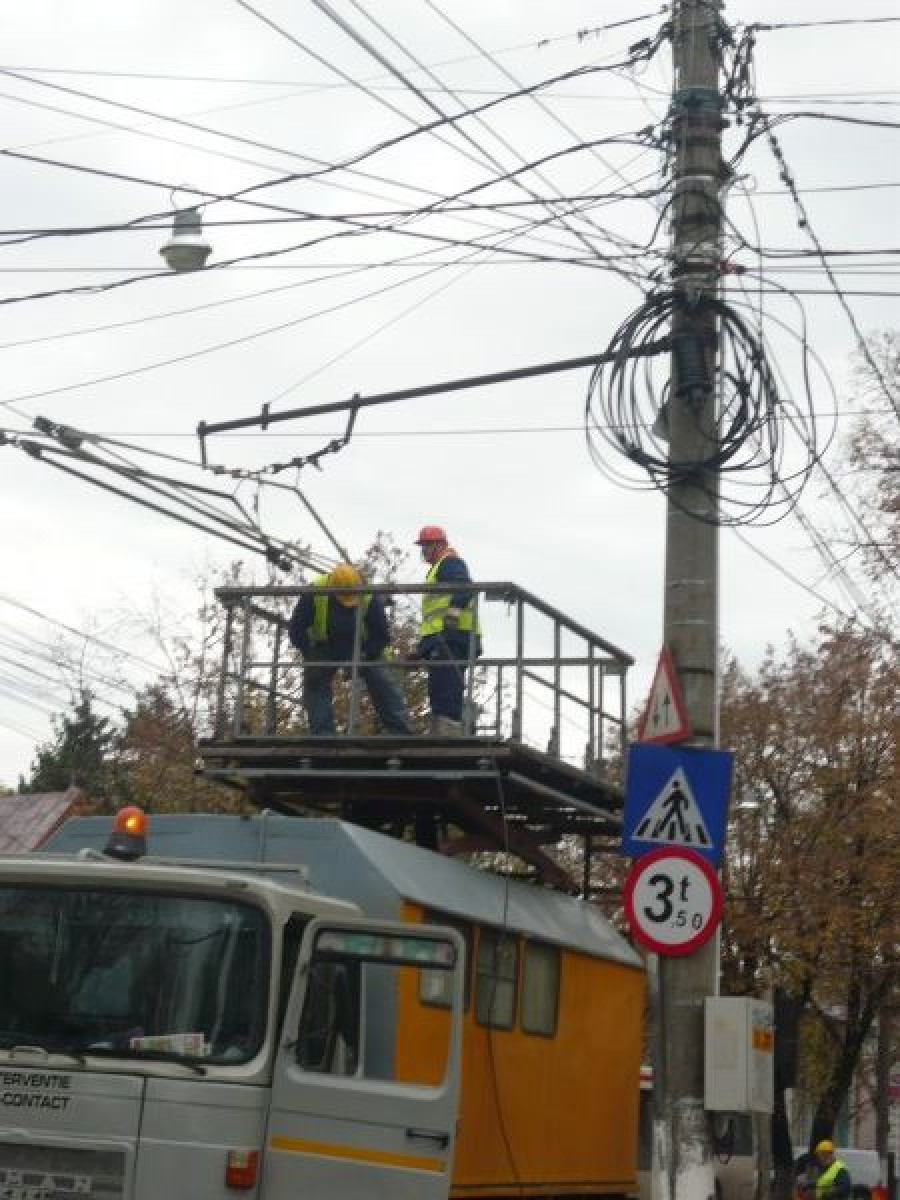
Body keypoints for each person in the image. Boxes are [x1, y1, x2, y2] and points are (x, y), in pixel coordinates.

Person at [288, 563, 412, 736]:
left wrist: (367, 655)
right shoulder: (315, 592)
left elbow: (381, 635)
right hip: (325, 646)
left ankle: (400, 732)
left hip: (361, 647)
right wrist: (310, 653)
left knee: (381, 680)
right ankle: (323, 736)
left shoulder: (368, 596)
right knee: (315, 681)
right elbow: (296, 629)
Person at [414, 525, 481, 735]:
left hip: (453, 636)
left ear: (440, 545)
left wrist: (453, 613)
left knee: (446, 687)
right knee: (441, 687)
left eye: (427, 545)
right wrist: (422, 649)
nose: (424, 551)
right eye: (422, 546)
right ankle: (447, 729)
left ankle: (450, 731)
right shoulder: (438, 568)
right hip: (444, 637)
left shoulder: (450, 563)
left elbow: (465, 587)